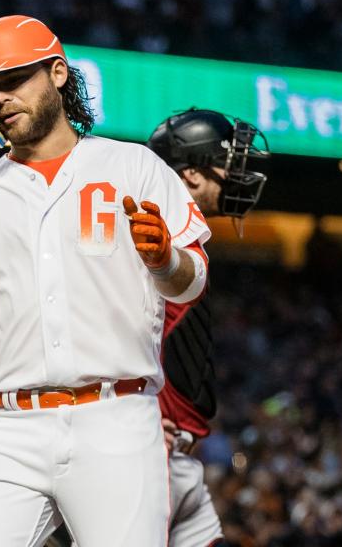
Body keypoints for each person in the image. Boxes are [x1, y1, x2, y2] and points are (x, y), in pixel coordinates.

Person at [0, 15, 212, 546]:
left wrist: (166, 260)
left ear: (56, 72)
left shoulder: (133, 166)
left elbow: (192, 282)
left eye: (12, 80)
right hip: (10, 427)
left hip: (116, 419)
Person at [147, 108, 269, 547]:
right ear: (193, 175)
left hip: (173, 456)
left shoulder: (184, 236)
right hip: (143, 450)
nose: (240, 172)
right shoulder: (151, 235)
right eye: (229, 162)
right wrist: (125, 416)